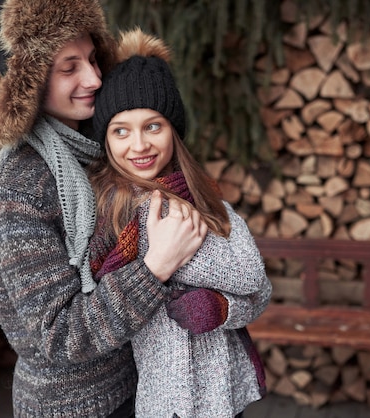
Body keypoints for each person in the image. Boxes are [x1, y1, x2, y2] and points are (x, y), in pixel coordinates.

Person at [0, 1, 209, 416]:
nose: (95, 77)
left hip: (137, 386)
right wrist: (155, 268)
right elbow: (57, 337)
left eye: (92, 59)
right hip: (75, 406)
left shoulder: (96, 151)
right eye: (69, 68)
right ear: (27, 83)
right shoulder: (16, 189)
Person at [89, 28, 272, 418]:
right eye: (121, 131)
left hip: (223, 391)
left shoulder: (205, 198)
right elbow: (248, 271)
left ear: (173, 130)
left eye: (152, 126)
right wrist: (165, 254)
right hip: (166, 398)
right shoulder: (117, 214)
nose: (138, 145)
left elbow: (259, 287)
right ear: (106, 140)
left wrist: (223, 309)